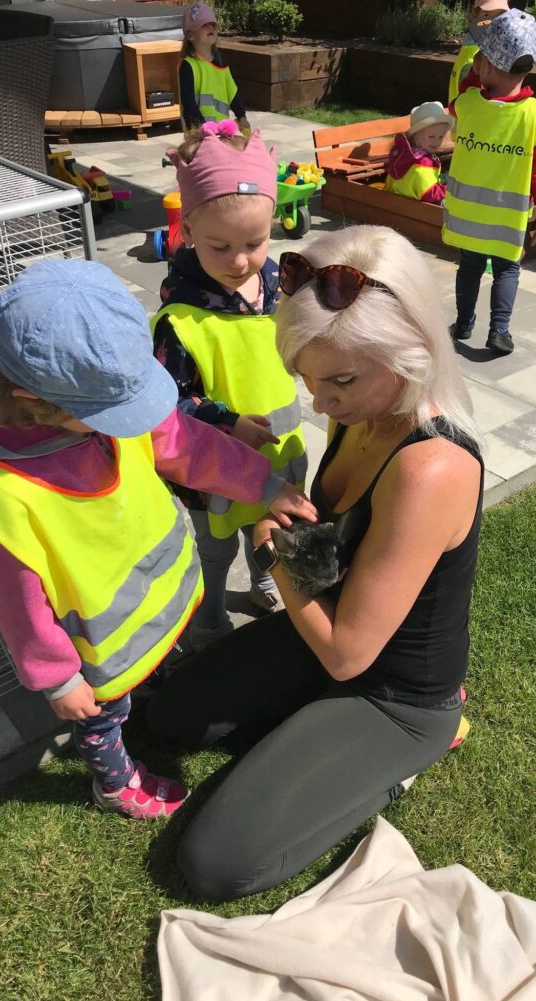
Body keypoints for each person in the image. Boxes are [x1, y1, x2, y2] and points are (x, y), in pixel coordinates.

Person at [145, 224, 484, 902]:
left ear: (412, 348)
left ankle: (412, 754)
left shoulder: (431, 467)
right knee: (162, 719)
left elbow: (348, 655)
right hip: (321, 629)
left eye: (339, 382)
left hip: (392, 693)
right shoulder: (362, 406)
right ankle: (309, 727)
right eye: (307, 378)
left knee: (214, 864)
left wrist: (275, 556)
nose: (321, 403)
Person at [0, 259, 314, 821]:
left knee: (149, 668)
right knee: (103, 716)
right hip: (96, 649)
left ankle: (151, 680)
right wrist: (57, 679)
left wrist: (264, 485)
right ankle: (114, 782)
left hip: (158, 606)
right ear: (31, 398)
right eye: (114, 413)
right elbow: (15, 603)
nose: (135, 421)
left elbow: (187, 443)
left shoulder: (91, 406)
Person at [152, 121, 308, 647]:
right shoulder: (180, 318)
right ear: (189, 231)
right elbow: (167, 404)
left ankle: (263, 581)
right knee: (216, 546)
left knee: (268, 528)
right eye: (220, 246)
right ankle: (211, 615)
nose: (240, 261)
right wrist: (226, 421)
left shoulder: (278, 288)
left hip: (281, 452)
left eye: (255, 243)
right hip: (214, 465)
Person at [443, 7, 536, 356]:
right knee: (507, 270)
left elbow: (458, 99)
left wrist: (473, 73)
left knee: (470, 267)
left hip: (468, 216)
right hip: (508, 218)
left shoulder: (468, 105)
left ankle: (463, 323)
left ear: (486, 66)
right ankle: (500, 331)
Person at [178, 2, 250, 134]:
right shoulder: (188, 66)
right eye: (204, 25)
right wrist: (202, 126)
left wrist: (241, 116)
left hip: (222, 132)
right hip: (198, 134)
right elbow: (187, 101)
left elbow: (233, 93)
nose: (210, 27)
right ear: (190, 35)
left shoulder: (222, 63)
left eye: (213, 24)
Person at [384, 102, 453, 204]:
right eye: (431, 137)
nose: (436, 141)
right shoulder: (423, 163)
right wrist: (449, 190)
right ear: (416, 135)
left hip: (395, 202)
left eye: (440, 137)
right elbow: (429, 193)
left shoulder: (404, 154)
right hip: (416, 207)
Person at [447, 0, 509, 105]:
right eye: (486, 15)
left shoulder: (480, 39)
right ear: (475, 15)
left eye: (499, 15)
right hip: (465, 110)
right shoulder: (476, 53)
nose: (493, 21)